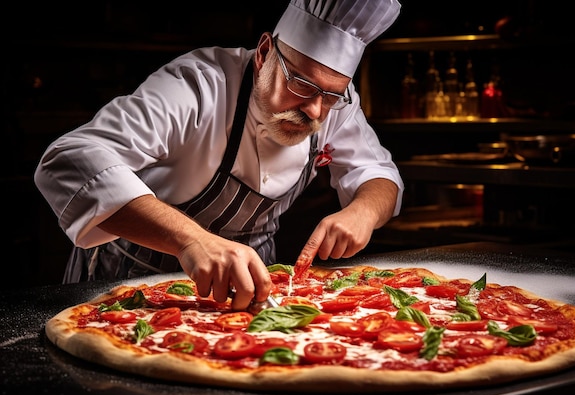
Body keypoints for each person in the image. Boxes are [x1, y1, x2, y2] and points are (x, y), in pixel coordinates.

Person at [34, 0, 404, 311]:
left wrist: (364, 212)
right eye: (301, 84)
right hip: (134, 288)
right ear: (264, 53)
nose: (314, 111)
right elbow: (68, 159)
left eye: (332, 95)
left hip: (252, 294)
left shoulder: (334, 103)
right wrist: (191, 240)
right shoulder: (197, 86)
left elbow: (378, 172)